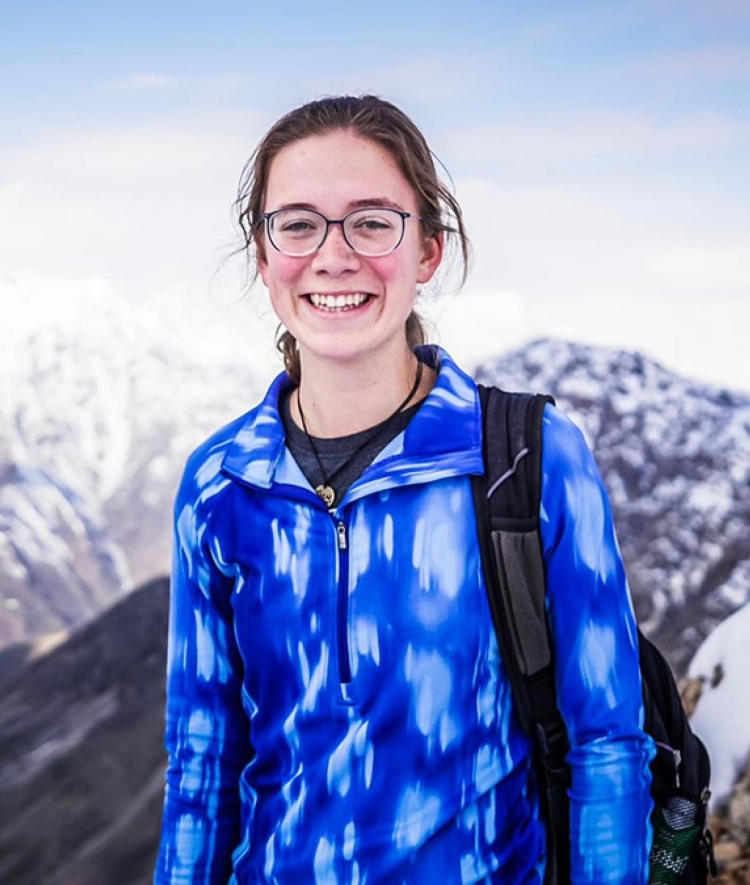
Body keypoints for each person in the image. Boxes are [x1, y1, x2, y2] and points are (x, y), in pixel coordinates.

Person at [154, 94, 654, 884]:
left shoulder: (528, 459)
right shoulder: (221, 485)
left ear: (427, 251)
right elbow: (201, 766)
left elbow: (608, 746)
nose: (334, 255)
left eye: (372, 221)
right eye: (299, 223)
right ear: (263, 255)